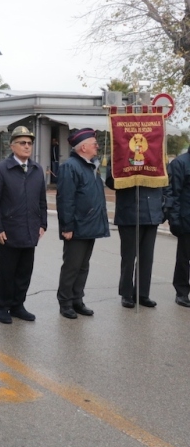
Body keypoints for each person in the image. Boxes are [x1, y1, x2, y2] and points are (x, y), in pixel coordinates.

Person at [0, 126, 48, 324]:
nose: (27, 146)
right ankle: (3, 306)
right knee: (6, 272)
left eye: (29, 143)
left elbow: (42, 200)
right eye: (22, 143)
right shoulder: (1, 169)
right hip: (9, 230)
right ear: (12, 146)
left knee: (24, 272)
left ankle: (18, 305)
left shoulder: (37, 169)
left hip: (30, 229)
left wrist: (43, 223)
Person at [56, 128, 109, 319]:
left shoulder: (90, 166)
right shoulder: (70, 167)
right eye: (94, 144)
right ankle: (65, 302)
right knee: (72, 266)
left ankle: (77, 299)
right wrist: (67, 226)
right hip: (76, 226)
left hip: (90, 225)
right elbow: (66, 200)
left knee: (83, 266)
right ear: (83, 147)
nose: (97, 147)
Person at [105, 171, 162, 308]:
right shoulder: (120, 154)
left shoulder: (155, 155)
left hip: (151, 213)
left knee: (146, 258)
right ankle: (126, 293)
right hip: (129, 213)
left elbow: (164, 181)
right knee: (129, 257)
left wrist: (163, 207)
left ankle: (142, 294)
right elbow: (110, 182)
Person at [166, 145, 190, 308]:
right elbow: (172, 193)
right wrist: (174, 219)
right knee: (184, 259)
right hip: (186, 219)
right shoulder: (180, 163)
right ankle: (181, 292)